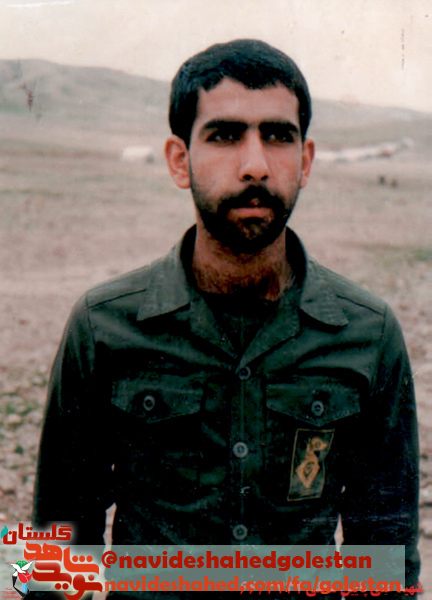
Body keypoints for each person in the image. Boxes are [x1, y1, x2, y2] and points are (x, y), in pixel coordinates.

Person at [34, 39, 420, 595]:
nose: (255, 165)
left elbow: (387, 552)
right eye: (224, 135)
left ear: (305, 161)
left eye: (278, 136)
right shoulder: (103, 327)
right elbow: (55, 546)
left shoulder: (368, 334)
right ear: (179, 159)